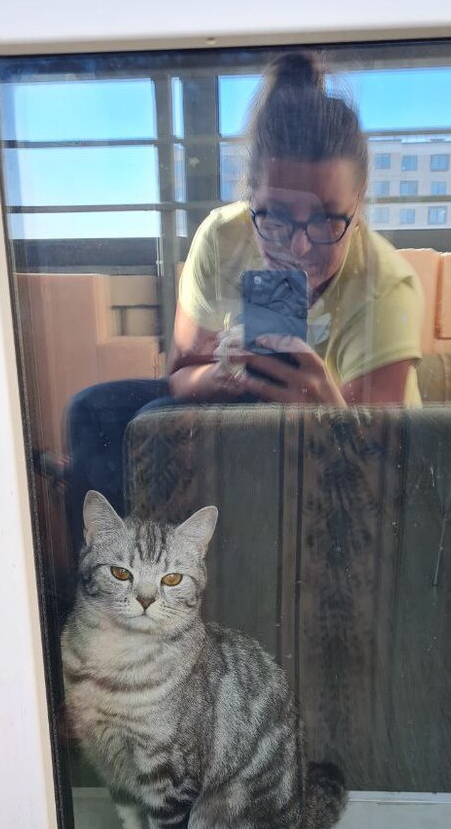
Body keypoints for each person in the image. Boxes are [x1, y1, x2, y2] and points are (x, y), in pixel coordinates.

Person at [66, 49, 424, 529]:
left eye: (326, 219)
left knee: (157, 421)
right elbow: (179, 374)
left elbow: (376, 476)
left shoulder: (385, 286)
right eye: (274, 216)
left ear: (358, 207)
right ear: (250, 195)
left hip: (348, 453)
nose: (298, 246)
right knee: (90, 412)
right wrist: (223, 376)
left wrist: (327, 411)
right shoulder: (223, 236)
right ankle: (106, 567)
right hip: (240, 405)